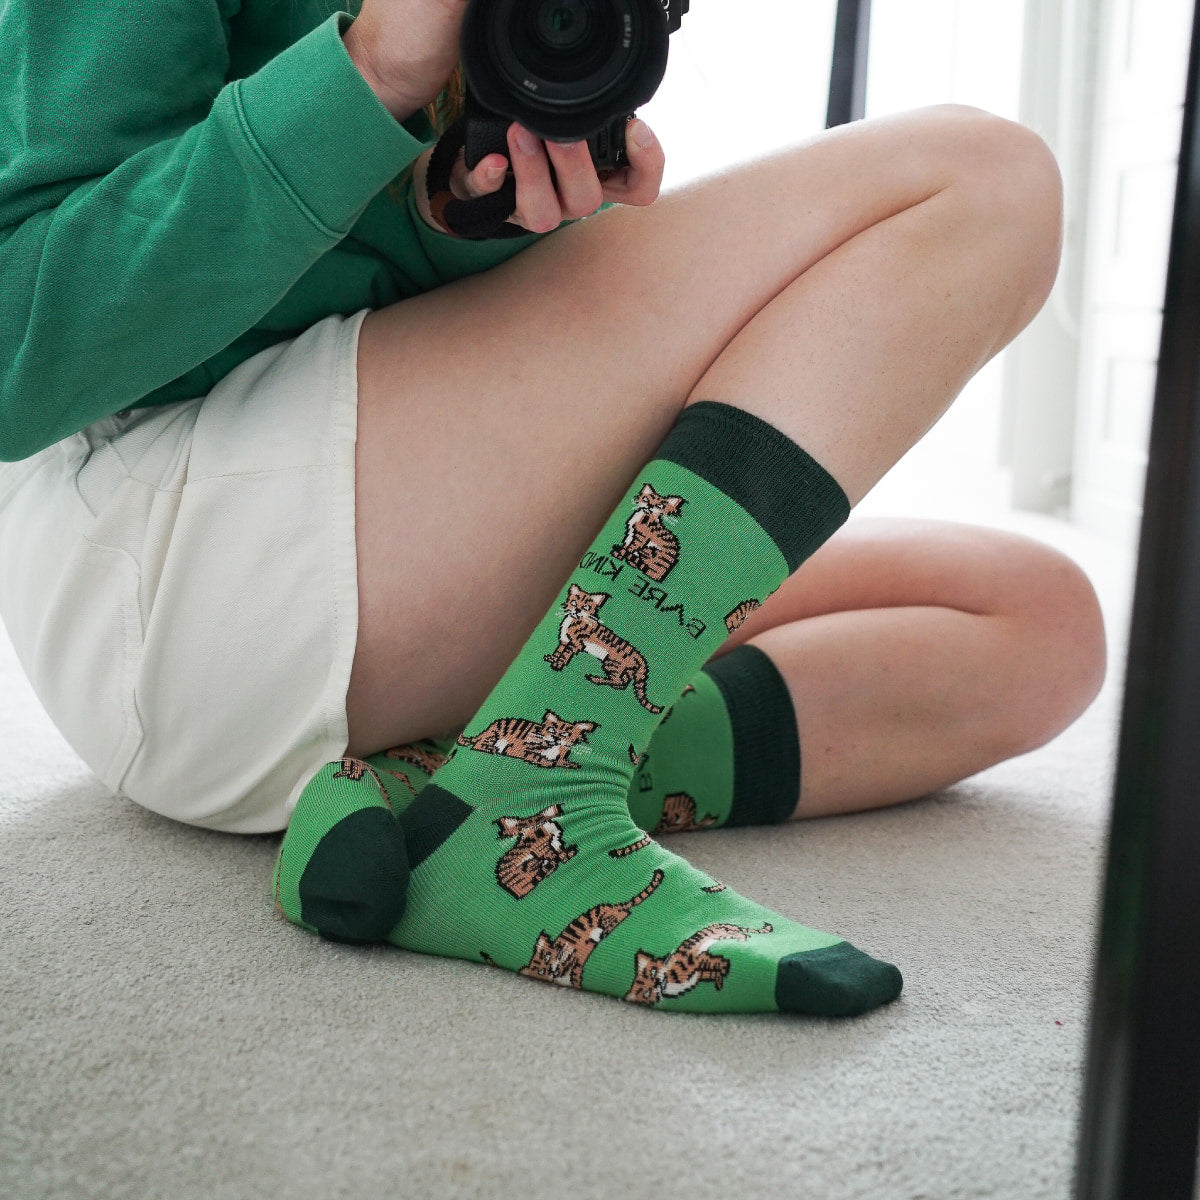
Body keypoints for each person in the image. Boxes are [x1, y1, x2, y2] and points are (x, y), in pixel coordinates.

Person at [0, 0, 1105, 1017]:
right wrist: (368, 75)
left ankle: (440, 791)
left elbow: (361, 286)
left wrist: (462, 208)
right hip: (178, 558)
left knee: (1034, 627)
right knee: (980, 182)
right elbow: (20, 354)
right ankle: (538, 806)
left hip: (360, 522)